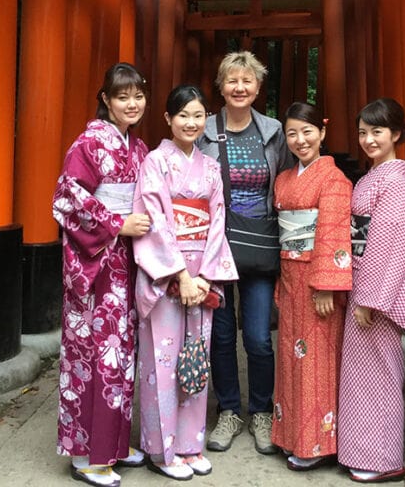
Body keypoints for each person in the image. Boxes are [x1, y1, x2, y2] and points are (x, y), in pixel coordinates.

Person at [52, 63, 152, 487]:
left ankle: (110, 443)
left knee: (120, 352)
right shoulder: (89, 143)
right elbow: (67, 198)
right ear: (106, 101)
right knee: (96, 353)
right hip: (98, 263)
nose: (132, 104)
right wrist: (116, 223)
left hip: (126, 260)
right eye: (122, 96)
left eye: (138, 96)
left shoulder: (139, 147)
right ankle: (88, 456)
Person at [132, 84, 238, 480]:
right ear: (168, 119)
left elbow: (217, 221)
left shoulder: (210, 167)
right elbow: (155, 219)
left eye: (198, 116)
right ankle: (162, 449)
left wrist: (205, 276)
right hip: (167, 274)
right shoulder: (155, 163)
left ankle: (190, 443)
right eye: (183, 116)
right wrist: (180, 275)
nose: (191, 123)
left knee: (195, 356)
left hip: (201, 272)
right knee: (162, 360)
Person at [197, 51, 293, 455]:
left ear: (257, 87)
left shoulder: (272, 132)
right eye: (232, 81)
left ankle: (260, 411)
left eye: (247, 81)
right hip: (214, 246)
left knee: (257, 336)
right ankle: (229, 410)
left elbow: (288, 185)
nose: (239, 88)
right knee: (220, 335)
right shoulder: (203, 130)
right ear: (220, 86)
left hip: (260, 245)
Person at [337, 98, 405, 483]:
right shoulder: (375, 176)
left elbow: (389, 244)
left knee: (380, 374)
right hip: (362, 283)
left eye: (377, 132)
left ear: (396, 135)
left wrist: (371, 299)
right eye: (363, 132)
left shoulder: (393, 182)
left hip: (375, 293)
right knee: (363, 373)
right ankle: (365, 452)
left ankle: (383, 458)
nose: (368, 140)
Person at [271, 101, 353, 471]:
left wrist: (326, 286)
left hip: (316, 281)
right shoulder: (284, 180)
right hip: (290, 276)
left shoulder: (334, 180)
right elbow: (282, 236)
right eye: (292, 133)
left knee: (316, 359)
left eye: (307, 132)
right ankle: (290, 436)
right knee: (290, 356)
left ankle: (316, 443)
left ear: (322, 132)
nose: (300, 140)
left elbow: (332, 233)